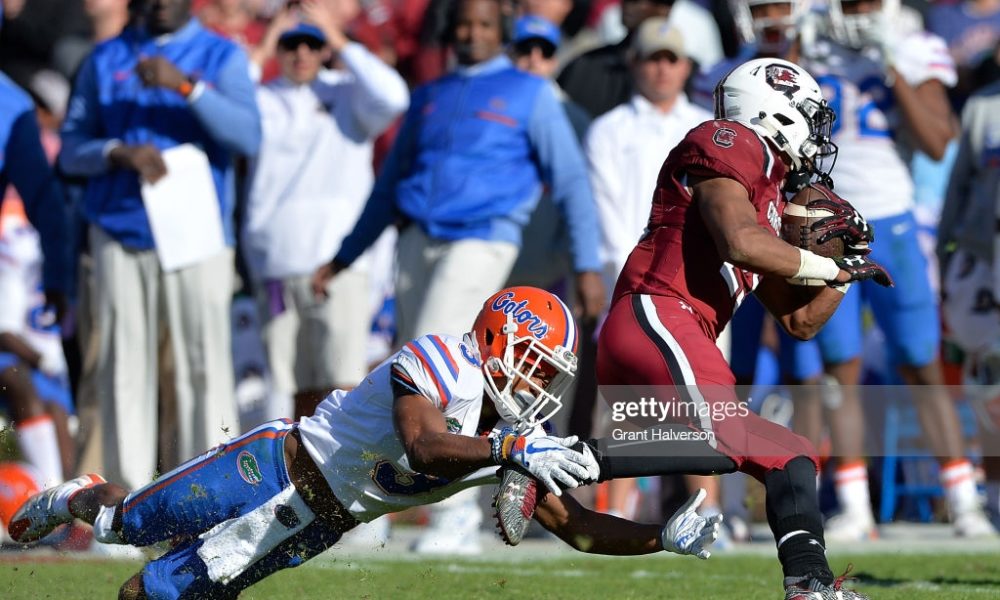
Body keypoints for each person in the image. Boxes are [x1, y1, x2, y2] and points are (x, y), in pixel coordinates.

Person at [9, 286, 723, 599]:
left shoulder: (511, 437)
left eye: (551, 374)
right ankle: (78, 493)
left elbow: (577, 528)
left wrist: (661, 536)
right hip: (270, 469)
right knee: (122, 526)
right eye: (536, 362)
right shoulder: (446, 358)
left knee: (152, 596)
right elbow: (422, 444)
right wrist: (512, 454)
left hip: (317, 525)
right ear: (501, 340)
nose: (540, 384)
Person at [498, 57, 891, 599]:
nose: (816, 134)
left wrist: (844, 276)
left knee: (789, 454)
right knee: (729, 437)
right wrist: (824, 264)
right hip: (658, 313)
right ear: (774, 109)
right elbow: (738, 241)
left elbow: (799, 321)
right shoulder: (729, 139)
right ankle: (552, 457)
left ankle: (810, 585)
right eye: (809, 116)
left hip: (683, 331)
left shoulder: (771, 192)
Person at [802, 0, 996, 540]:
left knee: (920, 362)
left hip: (891, 215)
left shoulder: (909, 41)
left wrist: (892, 68)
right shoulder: (810, 36)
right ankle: (855, 503)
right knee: (840, 368)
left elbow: (939, 141)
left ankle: (962, 498)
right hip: (824, 220)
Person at [58, 0, 261, 490]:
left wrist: (187, 87)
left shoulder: (219, 55)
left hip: (198, 235)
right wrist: (115, 152)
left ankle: (209, 496)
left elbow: (248, 137)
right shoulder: (105, 58)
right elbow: (71, 147)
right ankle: (124, 504)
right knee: (122, 369)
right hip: (120, 231)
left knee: (203, 368)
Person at [243, 4, 409, 419]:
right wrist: (263, 45)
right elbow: (228, 99)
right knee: (287, 393)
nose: (301, 52)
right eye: (290, 43)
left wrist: (337, 37)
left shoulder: (348, 94)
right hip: (276, 264)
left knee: (342, 386)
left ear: (325, 50)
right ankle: (301, 483)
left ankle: (343, 482)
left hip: (336, 264)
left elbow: (395, 96)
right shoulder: (260, 100)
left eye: (311, 44)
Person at [584, 16, 712, 524]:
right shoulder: (609, 129)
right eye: (652, 58)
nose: (662, 69)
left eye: (671, 59)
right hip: (632, 282)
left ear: (685, 67)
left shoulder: (706, 129)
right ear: (634, 63)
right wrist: (634, 281)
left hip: (697, 283)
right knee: (625, 402)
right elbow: (608, 216)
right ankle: (616, 514)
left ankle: (709, 514)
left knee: (703, 402)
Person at [938, 78, 1000, 533]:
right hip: (983, 254)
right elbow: (959, 185)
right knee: (989, 379)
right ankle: (995, 496)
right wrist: (945, 254)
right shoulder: (982, 106)